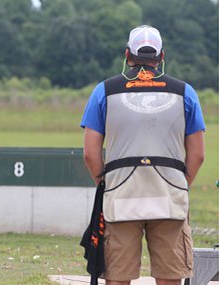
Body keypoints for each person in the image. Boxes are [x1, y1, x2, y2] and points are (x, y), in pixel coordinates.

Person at [80, 25, 205, 285]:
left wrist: (107, 184)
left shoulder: (104, 91)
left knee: (117, 277)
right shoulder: (186, 93)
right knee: (170, 276)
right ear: (161, 57)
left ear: (127, 55)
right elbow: (198, 154)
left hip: (121, 197)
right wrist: (179, 184)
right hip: (170, 198)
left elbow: (90, 154)